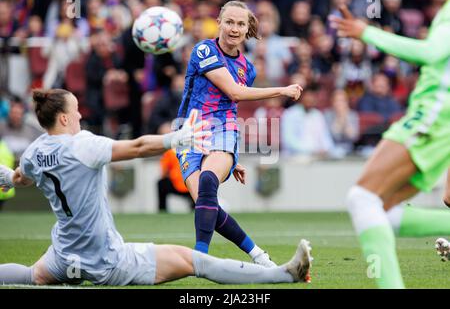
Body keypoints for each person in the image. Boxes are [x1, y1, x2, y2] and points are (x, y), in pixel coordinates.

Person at [0, 88, 312, 286]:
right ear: (66, 119)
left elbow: (18, 179)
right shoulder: (83, 144)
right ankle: (282, 274)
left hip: (65, 256)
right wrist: (173, 139)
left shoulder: (33, 152)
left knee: (32, 275)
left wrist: (3, 176)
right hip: (108, 261)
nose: (82, 114)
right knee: (195, 262)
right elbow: (136, 147)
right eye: (77, 110)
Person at [330, 0, 450, 289]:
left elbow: (431, 52)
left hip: (434, 114)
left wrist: (366, 32)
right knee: (381, 210)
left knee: (362, 199)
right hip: (440, 119)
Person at [175, 0, 302, 267]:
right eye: (229, 22)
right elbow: (234, 92)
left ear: (247, 29)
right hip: (189, 131)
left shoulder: (248, 68)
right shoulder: (203, 50)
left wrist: (230, 155)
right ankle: (258, 255)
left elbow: (230, 102)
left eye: (240, 24)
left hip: (223, 130)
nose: (234, 28)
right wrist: (282, 90)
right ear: (219, 22)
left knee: (209, 181)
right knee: (207, 205)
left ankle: (200, 259)